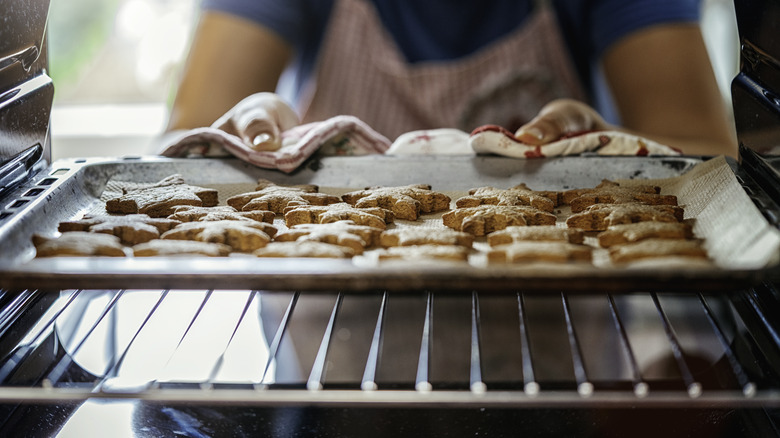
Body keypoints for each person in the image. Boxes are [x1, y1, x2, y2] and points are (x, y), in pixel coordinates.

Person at [166, 0, 737, 158]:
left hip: (557, 354)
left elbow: (710, 160)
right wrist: (239, 134)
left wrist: (609, 151)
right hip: (325, 355)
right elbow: (178, 153)